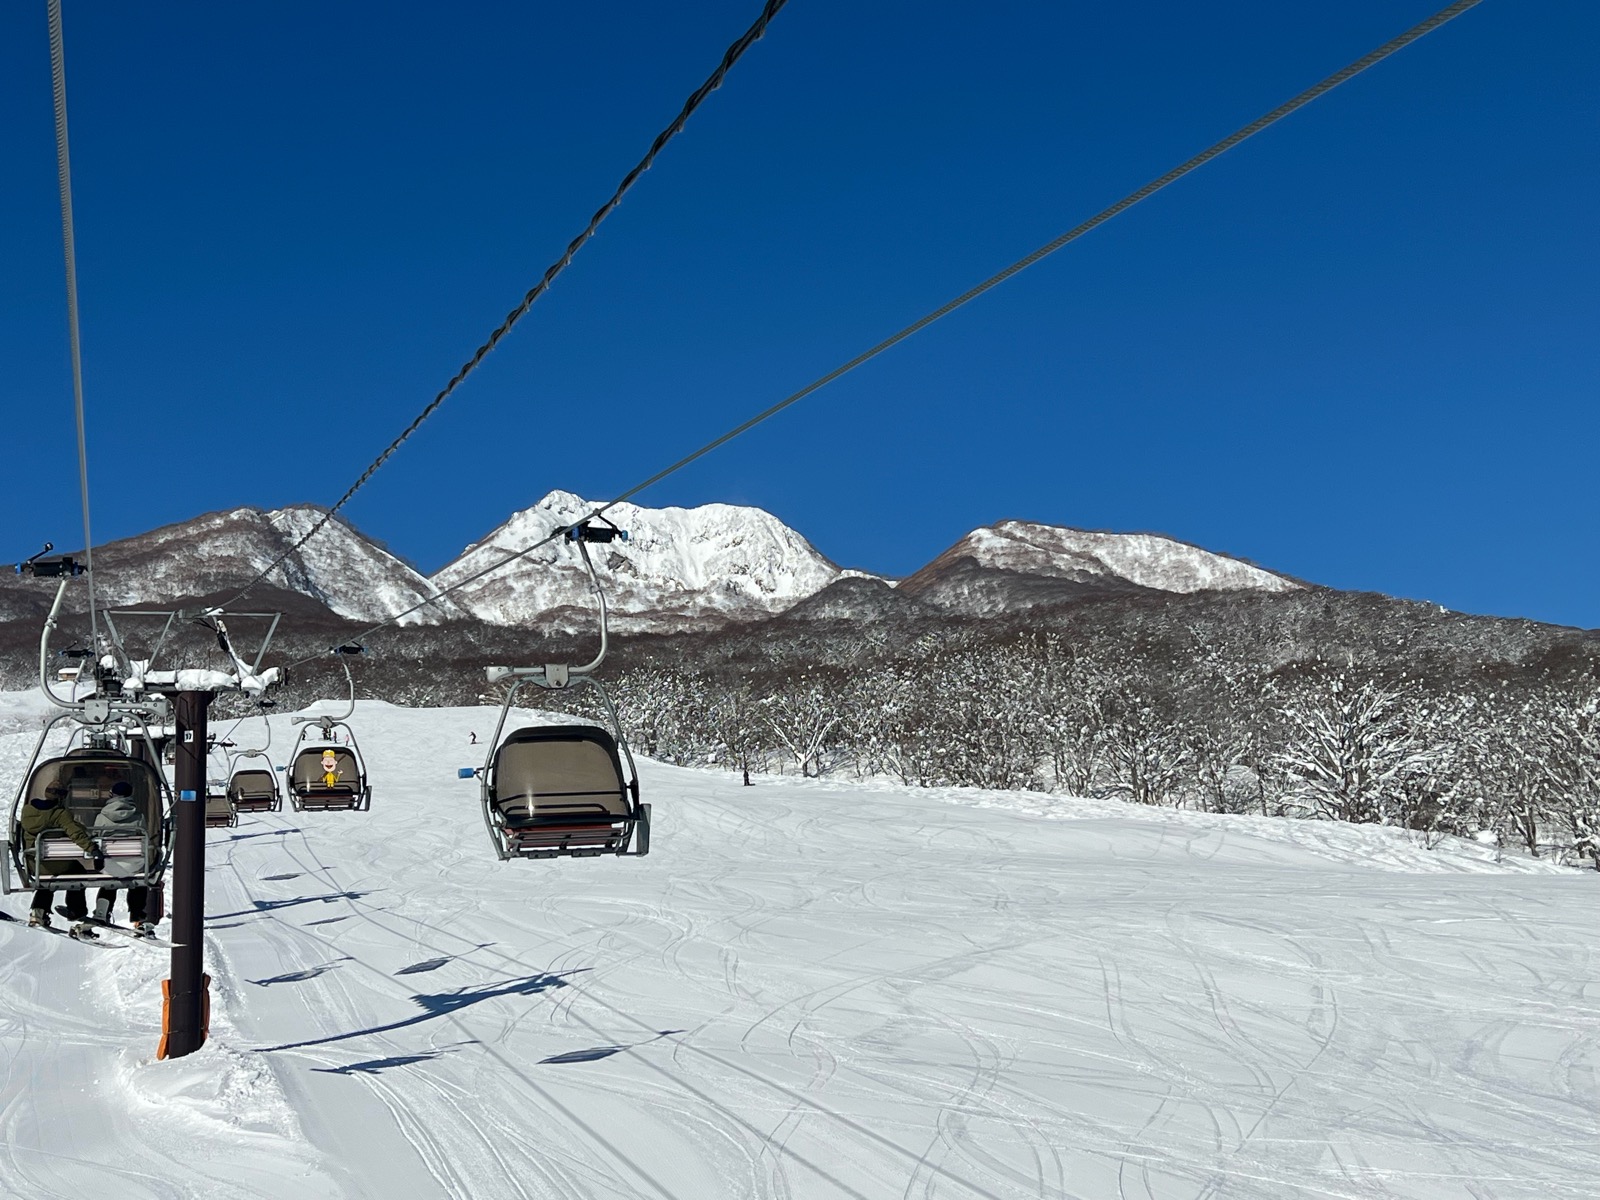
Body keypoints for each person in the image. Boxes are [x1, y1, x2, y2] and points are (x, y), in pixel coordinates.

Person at [21, 782, 99, 930]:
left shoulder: (28, 811)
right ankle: (76, 910)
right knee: (77, 871)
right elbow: (75, 832)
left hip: (35, 863)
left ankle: (38, 912)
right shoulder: (59, 814)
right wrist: (92, 848)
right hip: (56, 863)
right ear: (61, 797)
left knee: (45, 881)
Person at [91, 780, 154, 936]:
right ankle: (137, 914)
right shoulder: (138, 817)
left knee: (110, 880)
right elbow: (144, 838)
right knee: (139, 882)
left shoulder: (102, 816)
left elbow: (95, 838)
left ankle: (101, 912)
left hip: (109, 864)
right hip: (134, 864)